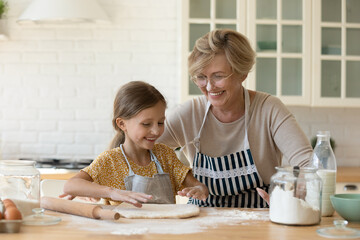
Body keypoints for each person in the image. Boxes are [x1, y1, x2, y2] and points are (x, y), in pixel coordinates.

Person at [157, 29, 313, 208]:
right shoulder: (189, 113)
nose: (209, 86)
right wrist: (185, 177)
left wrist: (293, 197)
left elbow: (308, 165)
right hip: (200, 222)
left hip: (259, 222)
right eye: (201, 77)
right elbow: (140, 150)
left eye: (218, 76)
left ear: (242, 73)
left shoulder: (268, 109)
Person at [62, 81, 209, 207]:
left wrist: (199, 189)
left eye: (160, 122)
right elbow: (70, 185)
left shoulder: (165, 155)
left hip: (163, 232)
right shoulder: (110, 161)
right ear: (122, 124)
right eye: (146, 124)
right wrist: (112, 192)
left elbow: (197, 185)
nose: (156, 131)